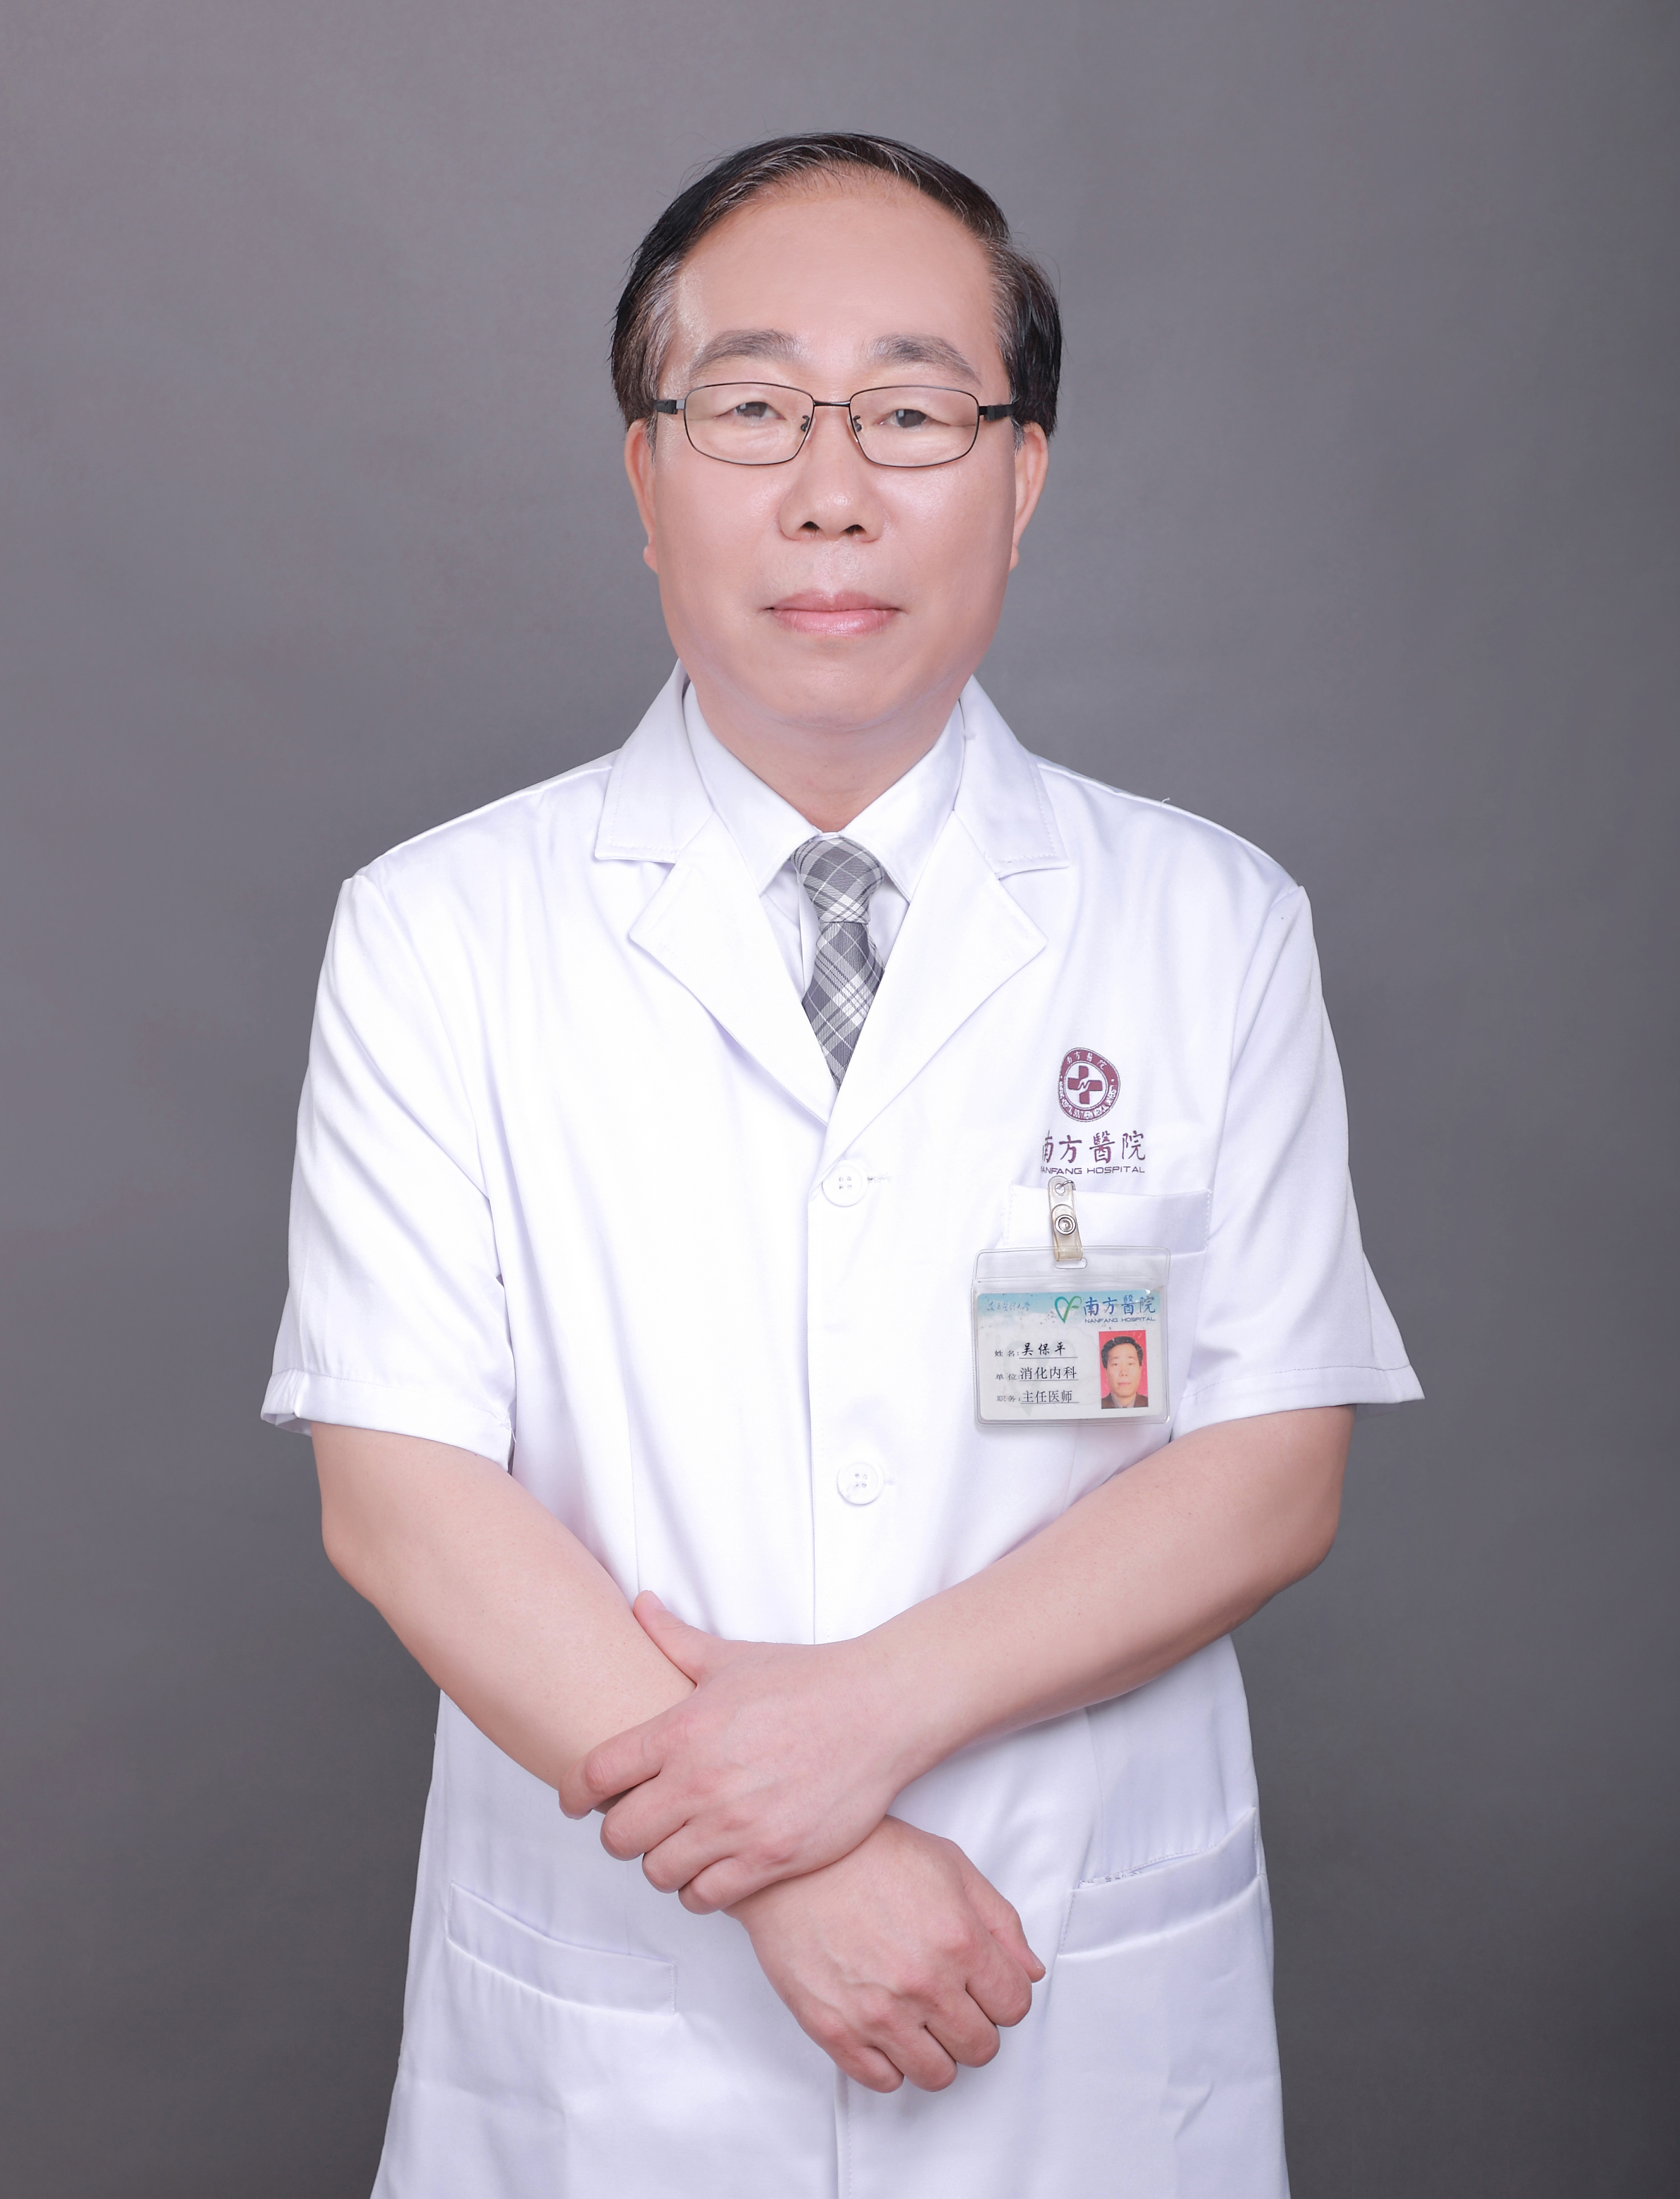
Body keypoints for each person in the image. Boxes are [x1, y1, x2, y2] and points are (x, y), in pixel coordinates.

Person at [263, 133, 1421, 2198]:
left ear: (1020, 475)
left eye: (907, 413)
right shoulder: (438, 929)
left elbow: (1269, 1461)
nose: (828, 489)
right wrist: (794, 1862)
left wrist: (859, 1723)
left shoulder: (1206, 919)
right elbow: (404, 1494)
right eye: (748, 409)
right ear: (644, 477)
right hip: (616, 2027)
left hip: (1065, 1971)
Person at [1100, 1332, 1147, 1410]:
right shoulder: (1096, 1407)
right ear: (1106, 1371)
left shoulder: (1152, 1405)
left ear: (1140, 1369)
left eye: (1131, 1364)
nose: (1124, 1373)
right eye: (1116, 1364)